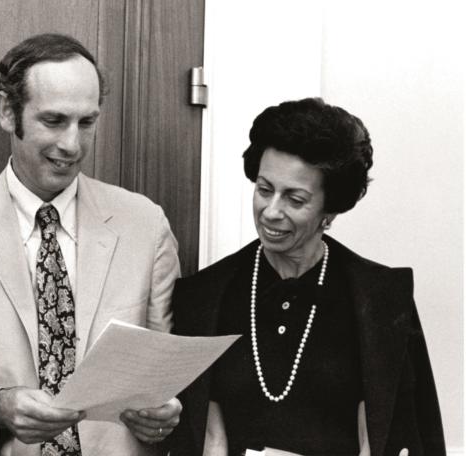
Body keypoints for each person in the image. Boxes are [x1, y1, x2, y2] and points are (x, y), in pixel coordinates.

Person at [0, 33, 182, 456]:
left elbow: (165, 373)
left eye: (86, 123)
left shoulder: (145, 225)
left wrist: (166, 411)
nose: (72, 145)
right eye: (53, 121)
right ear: (5, 112)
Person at [170, 98, 445, 456]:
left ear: (329, 210)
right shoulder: (204, 296)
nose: (270, 212)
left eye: (294, 199)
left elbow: (391, 437)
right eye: (264, 189)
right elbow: (207, 438)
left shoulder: (379, 299)